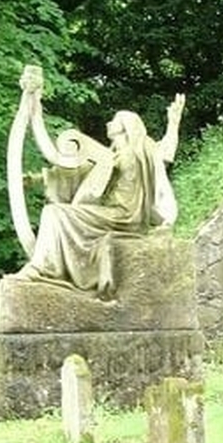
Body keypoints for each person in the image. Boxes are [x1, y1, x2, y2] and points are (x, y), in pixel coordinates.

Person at [12, 73, 185, 298]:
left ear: (124, 127)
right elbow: (74, 171)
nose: (108, 123)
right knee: (55, 213)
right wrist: (35, 179)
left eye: (114, 120)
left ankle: (43, 268)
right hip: (110, 213)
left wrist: (173, 123)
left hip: (123, 217)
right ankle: (45, 267)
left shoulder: (141, 150)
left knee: (55, 214)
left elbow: (166, 153)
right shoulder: (109, 156)